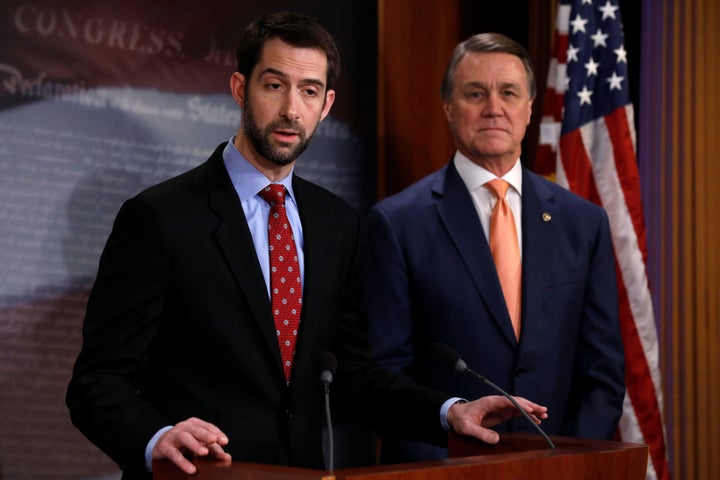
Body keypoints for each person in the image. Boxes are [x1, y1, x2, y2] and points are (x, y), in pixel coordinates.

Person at [66, 15, 549, 480]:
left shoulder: (337, 224)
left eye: (309, 91)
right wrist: (157, 438)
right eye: (274, 86)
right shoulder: (160, 217)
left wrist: (449, 412)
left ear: (327, 104)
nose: (291, 110)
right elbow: (98, 383)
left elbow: (354, 375)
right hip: (195, 478)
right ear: (240, 89)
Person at [362, 32, 626, 464]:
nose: (493, 108)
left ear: (529, 109)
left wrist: (570, 463)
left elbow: (602, 374)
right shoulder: (396, 223)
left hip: (559, 469)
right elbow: (383, 375)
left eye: (508, 93)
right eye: (475, 93)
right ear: (448, 107)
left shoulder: (584, 223)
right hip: (442, 468)